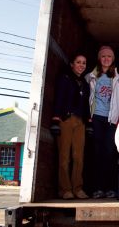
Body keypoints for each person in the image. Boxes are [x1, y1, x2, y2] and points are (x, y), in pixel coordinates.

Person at [85, 45, 119, 199]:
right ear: (99, 58)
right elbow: (86, 94)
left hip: (111, 121)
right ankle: (97, 188)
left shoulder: (117, 77)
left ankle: (111, 187)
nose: (106, 59)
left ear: (113, 59)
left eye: (109, 57)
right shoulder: (92, 76)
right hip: (96, 118)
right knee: (97, 154)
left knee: (110, 153)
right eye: (103, 56)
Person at [51, 53, 90, 199]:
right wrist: (55, 119)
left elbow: (86, 105)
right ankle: (65, 189)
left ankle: (77, 188)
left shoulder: (85, 84)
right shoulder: (64, 79)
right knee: (64, 156)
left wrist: (89, 122)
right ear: (72, 64)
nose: (81, 65)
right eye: (78, 62)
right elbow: (59, 99)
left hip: (80, 122)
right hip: (65, 119)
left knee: (79, 156)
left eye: (84, 63)